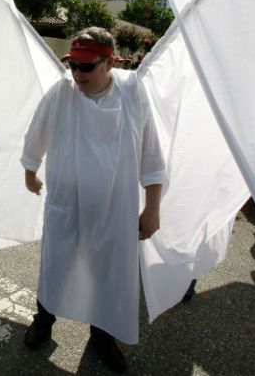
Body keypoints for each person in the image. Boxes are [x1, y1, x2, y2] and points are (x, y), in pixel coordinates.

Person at [20, 26, 166, 373]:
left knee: (108, 274)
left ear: (109, 63)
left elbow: (151, 153)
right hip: (66, 204)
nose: (77, 74)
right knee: (56, 264)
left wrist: (153, 208)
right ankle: (44, 321)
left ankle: (102, 337)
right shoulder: (61, 93)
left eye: (87, 67)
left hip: (114, 210)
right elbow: (35, 132)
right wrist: (30, 171)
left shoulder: (132, 93)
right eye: (73, 65)